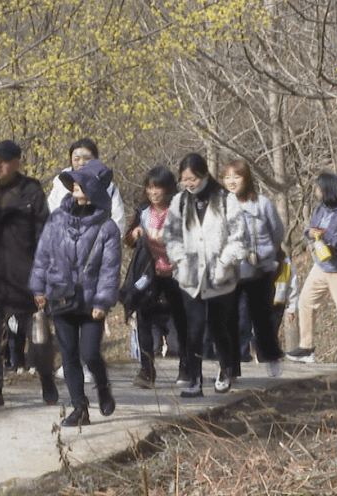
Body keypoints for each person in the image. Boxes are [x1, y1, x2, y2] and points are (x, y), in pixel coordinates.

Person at [0, 140, 58, 411]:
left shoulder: (31, 191)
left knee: (39, 339)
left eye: (3, 160)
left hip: (27, 279)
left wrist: (44, 279)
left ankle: (46, 377)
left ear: (16, 162)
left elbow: (45, 237)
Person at [31, 158, 121, 426]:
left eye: (80, 182)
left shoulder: (108, 227)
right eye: (74, 181)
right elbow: (43, 254)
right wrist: (38, 287)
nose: (74, 186)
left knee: (89, 353)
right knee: (68, 353)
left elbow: (110, 269)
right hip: (60, 295)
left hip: (92, 301)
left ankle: (103, 385)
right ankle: (79, 407)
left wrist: (103, 301)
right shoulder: (58, 218)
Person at [164, 153, 248, 397]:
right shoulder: (179, 202)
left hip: (220, 277)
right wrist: (180, 260)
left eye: (193, 178)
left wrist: (224, 262)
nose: (189, 183)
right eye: (185, 179)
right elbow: (171, 236)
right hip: (191, 278)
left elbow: (238, 236)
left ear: (204, 175)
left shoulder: (224, 199)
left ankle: (225, 368)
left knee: (219, 327)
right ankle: (195, 379)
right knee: (194, 329)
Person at [286, 173, 337, 369]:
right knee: (305, 301)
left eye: (319, 189)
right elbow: (311, 228)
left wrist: (328, 235)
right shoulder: (321, 208)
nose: (317, 193)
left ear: (328, 190)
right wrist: (310, 232)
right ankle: (306, 347)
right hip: (322, 265)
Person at [221, 159, 286, 377]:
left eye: (236, 176)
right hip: (231, 270)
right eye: (227, 177)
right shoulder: (220, 206)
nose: (231, 182)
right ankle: (232, 366)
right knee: (233, 320)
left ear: (246, 179)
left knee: (262, 317)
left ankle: (270, 356)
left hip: (259, 269)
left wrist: (266, 255)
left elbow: (277, 232)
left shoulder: (262, 204)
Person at [122, 166, 185, 389]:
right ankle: (146, 370)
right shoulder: (143, 210)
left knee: (181, 320)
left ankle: (186, 368)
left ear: (168, 189)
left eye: (157, 187)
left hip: (176, 272)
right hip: (150, 273)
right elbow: (128, 242)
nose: (153, 192)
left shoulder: (178, 209)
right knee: (143, 320)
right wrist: (135, 234)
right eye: (149, 187)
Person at [46, 138, 127, 234]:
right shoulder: (60, 184)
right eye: (76, 159)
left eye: (87, 158)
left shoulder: (109, 188)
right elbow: (51, 216)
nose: (81, 163)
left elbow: (118, 221)